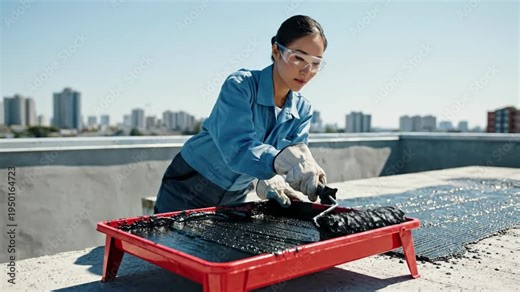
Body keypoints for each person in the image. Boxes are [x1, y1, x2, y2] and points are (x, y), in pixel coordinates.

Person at [154, 15, 328, 213]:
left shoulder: (303, 111)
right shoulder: (240, 86)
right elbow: (237, 145)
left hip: (234, 196)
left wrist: (272, 178)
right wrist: (279, 160)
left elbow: (294, 159)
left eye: (315, 63)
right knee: (171, 242)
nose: (307, 70)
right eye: (298, 57)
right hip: (188, 185)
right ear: (276, 50)